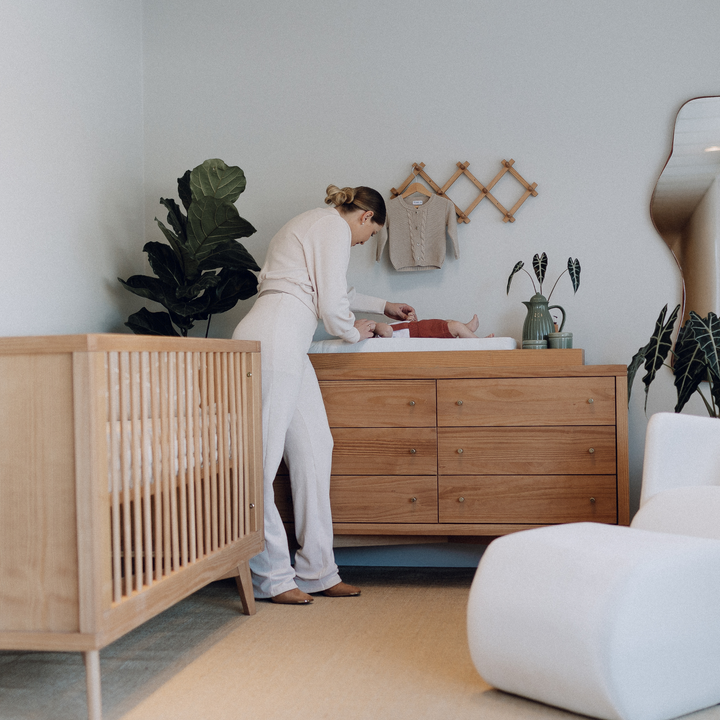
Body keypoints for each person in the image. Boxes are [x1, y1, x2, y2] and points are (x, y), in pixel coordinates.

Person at [232, 185, 416, 605]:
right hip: (274, 337)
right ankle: (272, 576)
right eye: (368, 236)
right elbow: (334, 309)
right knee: (259, 461)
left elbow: (331, 292)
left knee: (317, 446)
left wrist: (383, 305)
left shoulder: (316, 223)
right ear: (365, 217)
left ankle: (317, 570)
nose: (363, 242)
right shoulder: (331, 227)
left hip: (286, 340)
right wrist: (355, 330)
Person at [373, 314, 484, 339]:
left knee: (446, 322)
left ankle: (466, 329)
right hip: (419, 332)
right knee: (454, 326)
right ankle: (481, 344)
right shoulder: (375, 337)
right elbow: (387, 330)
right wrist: (373, 326)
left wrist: (407, 320)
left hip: (416, 327)